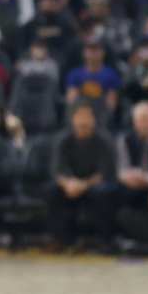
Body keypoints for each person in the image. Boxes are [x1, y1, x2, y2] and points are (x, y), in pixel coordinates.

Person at [50, 103, 115, 251]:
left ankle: (103, 240)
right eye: (80, 117)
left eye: (87, 117)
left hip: (93, 185)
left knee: (103, 193)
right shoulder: (63, 140)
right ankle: (62, 240)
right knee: (53, 191)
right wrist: (68, 184)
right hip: (70, 185)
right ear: (73, 119)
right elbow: (57, 170)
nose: (83, 121)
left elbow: (104, 172)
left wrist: (83, 185)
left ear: (94, 120)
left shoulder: (103, 141)